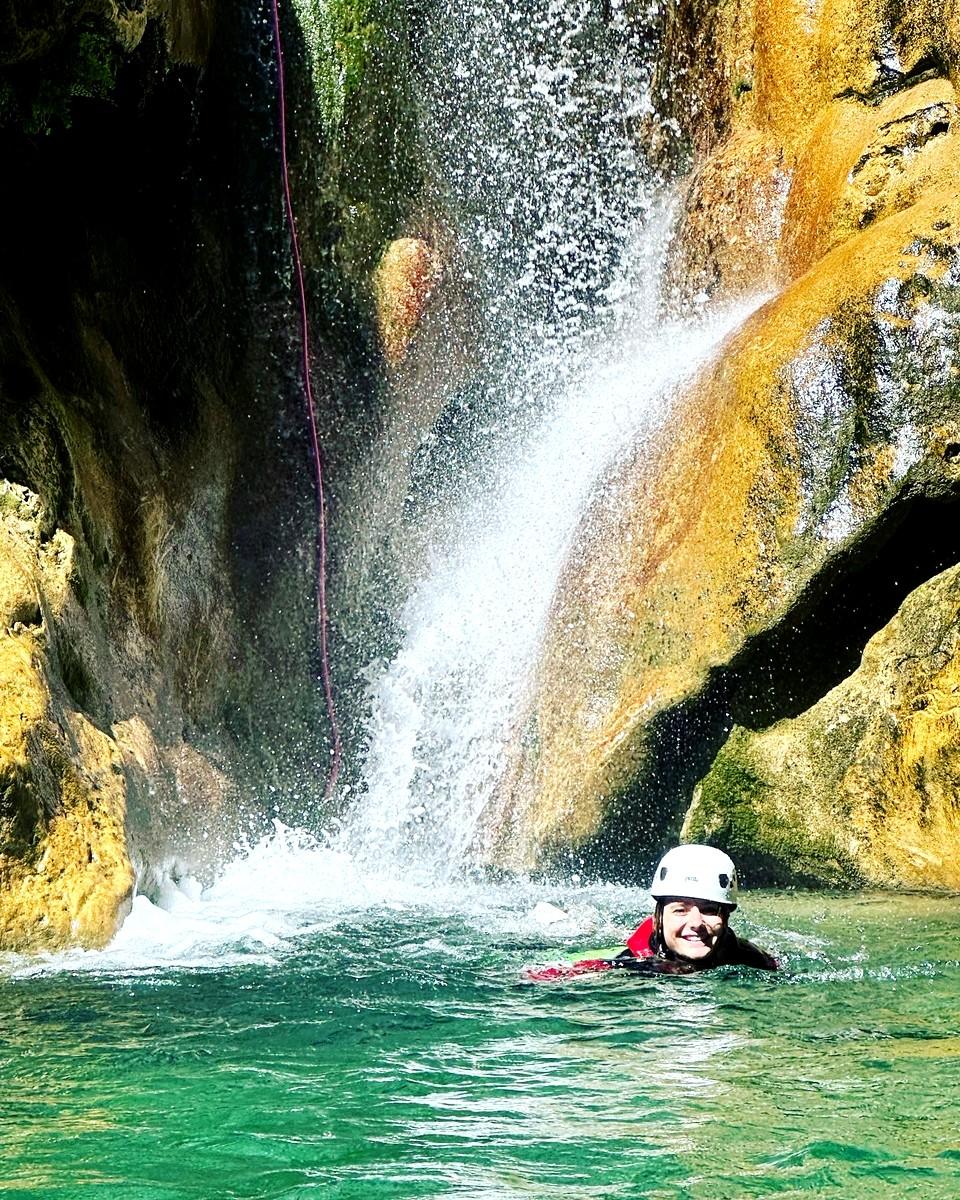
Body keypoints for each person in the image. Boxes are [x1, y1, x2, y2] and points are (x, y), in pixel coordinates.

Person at [525, 844, 777, 980]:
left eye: (710, 910)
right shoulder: (634, 961)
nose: (696, 922)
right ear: (659, 916)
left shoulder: (748, 957)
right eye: (680, 910)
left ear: (727, 917)